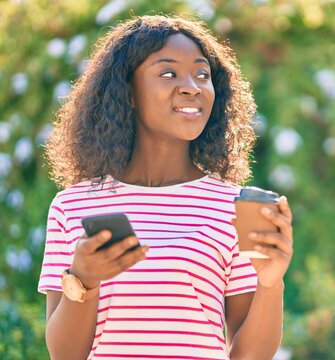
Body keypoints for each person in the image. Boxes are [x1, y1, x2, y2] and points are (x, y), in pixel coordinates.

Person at [38, 14, 293, 360]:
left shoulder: (232, 207)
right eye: (168, 73)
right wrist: (83, 279)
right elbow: (65, 355)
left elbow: (248, 356)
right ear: (128, 92)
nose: (192, 86)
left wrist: (270, 282)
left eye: (202, 74)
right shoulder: (73, 206)